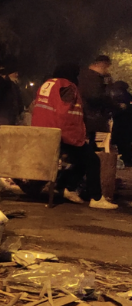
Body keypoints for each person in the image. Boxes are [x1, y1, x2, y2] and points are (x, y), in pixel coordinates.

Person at [31, 64, 117, 209]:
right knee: (92, 160)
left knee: (81, 160)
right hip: (62, 134)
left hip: (44, 133)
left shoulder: (47, 85)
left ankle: (65, 187)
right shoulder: (67, 87)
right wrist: (77, 137)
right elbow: (66, 114)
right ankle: (96, 198)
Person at [78, 55, 115, 149]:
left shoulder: (89, 76)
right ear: (101, 64)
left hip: (88, 114)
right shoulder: (92, 78)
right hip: (90, 114)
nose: (107, 70)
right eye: (106, 67)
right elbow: (95, 96)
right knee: (87, 140)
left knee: (90, 139)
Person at [109, 81, 132, 166]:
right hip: (127, 123)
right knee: (126, 142)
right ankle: (127, 159)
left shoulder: (113, 95)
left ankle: (126, 159)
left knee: (122, 142)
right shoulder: (127, 95)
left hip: (119, 123)